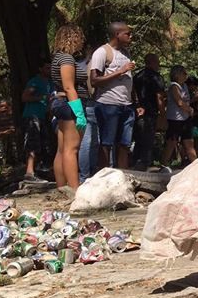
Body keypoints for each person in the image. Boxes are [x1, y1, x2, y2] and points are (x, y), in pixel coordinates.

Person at [89, 22, 136, 170]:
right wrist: (119, 71)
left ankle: (123, 176)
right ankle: (103, 176)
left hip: (127, 105)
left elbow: (129, 78)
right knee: (107, 143)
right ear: (117, 34)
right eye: (127, 34)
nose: (130, 37)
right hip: (108, 104)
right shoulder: (102, 52)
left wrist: (136, 102)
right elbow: (94, 80)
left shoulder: (126, 53)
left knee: (124, 143)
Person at [50, 24, 89, 190]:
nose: (81, 41)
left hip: (63, 103)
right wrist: (79, 112)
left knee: (62, 149)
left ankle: (62, 188)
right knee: (71, 149)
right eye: (79, 37)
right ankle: (74, 189)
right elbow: (69, 87)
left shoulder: (59, 57)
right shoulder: (66, 59)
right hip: (69, 104)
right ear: (72, 38)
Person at [21, 60, 54, 182]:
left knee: (44, 143)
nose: (49, 70)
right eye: (47, 68)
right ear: (41, 69)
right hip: (32, 115)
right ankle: (29, 172)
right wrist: (40, 97)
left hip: (43, 116)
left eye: (50, 68)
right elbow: (24, 97)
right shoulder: (35, 81)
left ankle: (42, 169)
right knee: (32, 142)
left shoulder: (51, 83)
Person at [132, 53, 166, 170]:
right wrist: (162, 114)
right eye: (157, 61)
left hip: (137, 112)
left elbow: (132, 93)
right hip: (150, 113)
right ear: (151, 62)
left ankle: (135, 164)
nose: (159, 64)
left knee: (138, 141)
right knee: (147, 142)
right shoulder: (156, 77)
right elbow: (159, 97)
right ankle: (144, 167)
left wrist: (136, 105)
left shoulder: (137, 76)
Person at [161, 65, 197, 168]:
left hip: (185, 119)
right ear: (177, 75)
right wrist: (190, 110)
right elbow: (179, 102)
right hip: (175, 119)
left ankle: (196, 166)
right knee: (172, 143)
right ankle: (164, 165)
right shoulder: (174, 86)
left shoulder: (184, 86)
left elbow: (186, 100)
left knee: (189, 143)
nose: (186, 75)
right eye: (184, 73)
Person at [76, 51, 99, 184]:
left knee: (92, 141)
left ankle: (88, 174)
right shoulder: (89, 65)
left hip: (87, 102)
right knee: (88, 141)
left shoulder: (78, 64)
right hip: (88, 102)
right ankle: (85, 176)